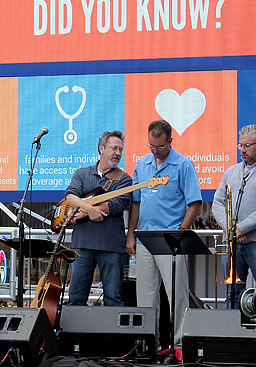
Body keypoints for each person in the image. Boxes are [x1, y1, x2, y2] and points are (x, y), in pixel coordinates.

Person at [126, 120, 201, 348]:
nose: (154, 151)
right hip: (145, 237)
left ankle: (179, 344)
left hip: (171, 239)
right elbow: (136, 204)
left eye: (159, 147)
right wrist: (131, 235)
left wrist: (180, 233)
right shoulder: (142, 164)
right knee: (146, 295)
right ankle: (149, 343)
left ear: (170, 141)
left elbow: (195, 204)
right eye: (150, 145)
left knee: (176, 295)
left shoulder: (184, 165)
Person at [65, 130, 132, 306]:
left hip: (111, 246)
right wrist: (90, 210)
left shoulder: (124, 179)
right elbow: (70, 197)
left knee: (113, 299)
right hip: (82, 245)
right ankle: (75, 334)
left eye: (121, 149)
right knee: (76, 297)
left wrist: (83, 212)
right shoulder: (82, 174)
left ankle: (111, 334)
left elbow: (116, 205)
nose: (118, 153)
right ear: (101, 149)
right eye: (114, 148)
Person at [212, 124, 256, 308]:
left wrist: (241, 228)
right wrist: (233, 231)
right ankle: (232, 333)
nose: (242, 150)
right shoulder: (231, 171)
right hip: (232, 242)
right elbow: (217, 203)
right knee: (232, 294)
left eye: (247, 145)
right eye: (240, 145)